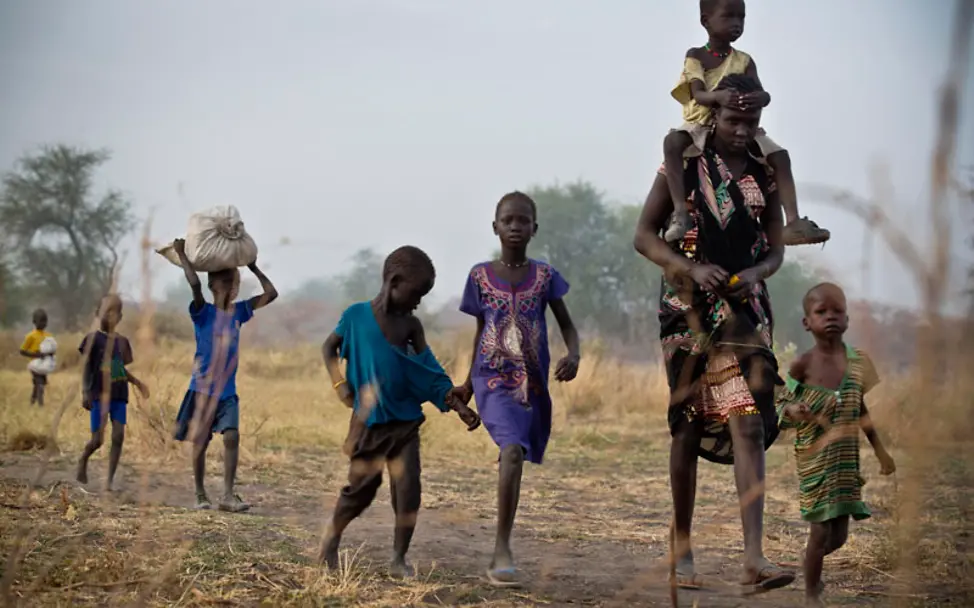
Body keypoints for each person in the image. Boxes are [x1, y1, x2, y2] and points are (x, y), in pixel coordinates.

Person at [634, 73, 796, 594]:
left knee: (748, 420)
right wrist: (689, 268)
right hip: (687, 311)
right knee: (686, 426)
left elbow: (775, 248)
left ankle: (754, 557)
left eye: (751, 121)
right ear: (715, 115)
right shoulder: (683, 166)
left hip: (743, 312)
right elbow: (643, 236)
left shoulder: (765, 175)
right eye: (733, 119)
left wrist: (759, 273)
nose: (743, 129)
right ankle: (681, 548)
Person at [317, 245, 481, 578]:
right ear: (394, 280)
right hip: (368, 424)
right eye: (417, 293)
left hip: (405, 424)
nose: (419, 301)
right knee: (360, 492)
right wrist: (339, 384)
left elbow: (432, 373)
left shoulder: (411, 326)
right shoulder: (355, 316)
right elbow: (328, 347)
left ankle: (398, 559)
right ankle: (330, 543)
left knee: (408, 491)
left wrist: (461, 406)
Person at [454, 192, 581, 588]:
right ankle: (501, 549)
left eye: (522, 220)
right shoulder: (479, 276)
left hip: (530, 383)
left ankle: (503, 544)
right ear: (495, 227)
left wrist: (573, 354)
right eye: (507, 220)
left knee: (518, 452)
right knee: (511, 451)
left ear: (534, 229)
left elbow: (567, 324)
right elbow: (480, 331)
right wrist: (466, 384)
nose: (514, 226)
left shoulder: (544, 277)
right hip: (490, 377)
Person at [661, 0, 829, 248]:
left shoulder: (745, 60)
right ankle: (680, 213)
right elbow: (698, 94)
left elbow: (762, 93)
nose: (737, 24)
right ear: (706, 21)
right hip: (702, 121)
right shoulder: (696, 56)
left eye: (741, 18)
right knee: (672, 142)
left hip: (740, 122)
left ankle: (792, 221)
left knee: (780, 156)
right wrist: (717, 97)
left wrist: (760, 97)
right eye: (729, 17)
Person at [777, 283, 896, 607]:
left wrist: (881, 451)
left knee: (839, 536)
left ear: (847, 319)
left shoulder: (859, 363)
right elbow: (781, 403)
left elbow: (860, 409)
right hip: (815, 460)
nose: (830, 316)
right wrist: (793, 410)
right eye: (821, 311)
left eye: (837, 311)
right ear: (807, 322)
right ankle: (812, 592)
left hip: (846, 462)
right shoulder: (802, 365)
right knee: (819, 532)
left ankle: (810, 564)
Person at [171, 238, 278, 512]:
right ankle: (199, 493)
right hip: (202, 389)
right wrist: (182, 254)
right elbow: (194, 284)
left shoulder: (239, 312)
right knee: (200, 442)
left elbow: (271, 293)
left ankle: (228, 495)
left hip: (227, 392)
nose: (231, 287)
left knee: (231, 436)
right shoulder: (202, 312)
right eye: (226, 282)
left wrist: (253, 267)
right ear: (212, 286)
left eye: (234, 283)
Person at [76, 295, 150, 489]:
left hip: (118, 395)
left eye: (115, 312)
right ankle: (83, 458)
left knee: (118, 437)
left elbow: (119, 369)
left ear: (120, 317)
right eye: (106, 311)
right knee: (98, 439)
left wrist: (138, 383)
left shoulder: (122, 342)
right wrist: (85, 392)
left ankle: (108, 481)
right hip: (98, 394)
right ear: (97, 313)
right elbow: (85, 368)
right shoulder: (92, 339)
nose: (110, 316)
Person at [20, 309, 53, 406]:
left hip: (44, 365)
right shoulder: (30, 336)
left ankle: (32, 402)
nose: (43, 323)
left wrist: (49, 354)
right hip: (34, 365)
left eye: (44, 321)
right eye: (41, 321)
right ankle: (40, 405)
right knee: (40, 384)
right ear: (34, 322)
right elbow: (22, 351)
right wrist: (36, 355)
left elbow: (51, 350)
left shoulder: (48, 336)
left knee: (38, 385)